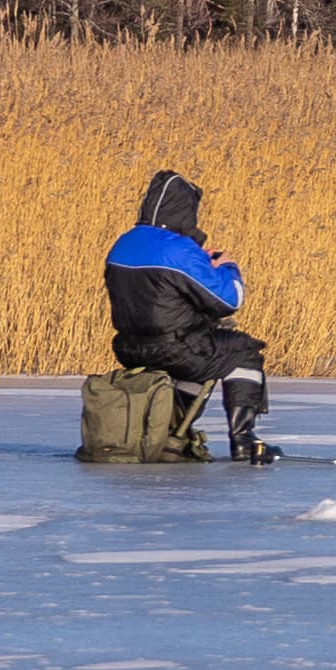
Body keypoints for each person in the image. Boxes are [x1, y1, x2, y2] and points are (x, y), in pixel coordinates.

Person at [104, 169, 276, 463]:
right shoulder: (180, 249)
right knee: (244, 351)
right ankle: (244, 440)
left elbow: (158, 292)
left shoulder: (123, 242)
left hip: (129, 348)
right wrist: (226, 267)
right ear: (185, 210)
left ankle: (173, 432)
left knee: (200, 357)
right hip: (172, 349)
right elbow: (228, 301)